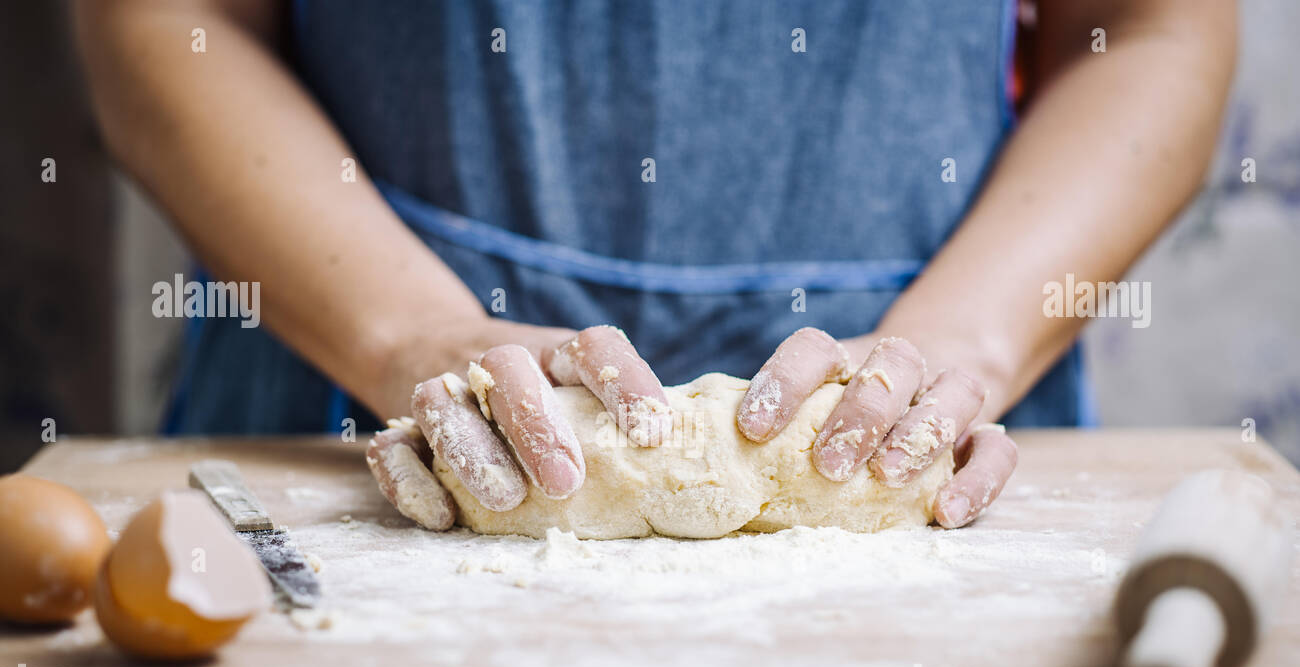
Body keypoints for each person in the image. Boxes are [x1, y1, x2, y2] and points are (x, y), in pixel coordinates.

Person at [75, 0, 1235, 528]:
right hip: (353, 363)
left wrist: (968, 341)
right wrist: (408, 335)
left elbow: (1150, 29)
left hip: (913, 397)